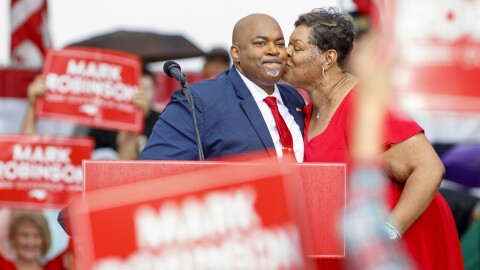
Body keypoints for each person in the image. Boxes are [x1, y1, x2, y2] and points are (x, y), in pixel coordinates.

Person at [282, 7, 463, 269]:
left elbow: (430, 168)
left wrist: (388, 232)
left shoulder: (361, 103)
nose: (286, 53)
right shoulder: (309, 111)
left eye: (296, 47)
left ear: (328, 58)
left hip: (402, 241)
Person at [140, 13, 305, 162]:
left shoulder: (293, 98)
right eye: (260, 43)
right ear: (236, 54)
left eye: (280, 43)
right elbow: (157, 168)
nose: (273, 50)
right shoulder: (197, 100)